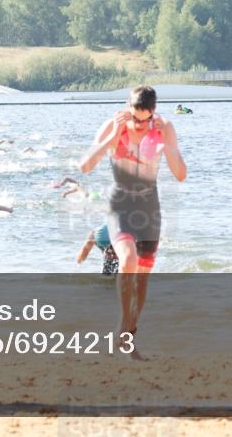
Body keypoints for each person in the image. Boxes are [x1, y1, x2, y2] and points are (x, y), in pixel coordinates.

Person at [80, 85, 187, 360]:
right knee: (127, 260)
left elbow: (180, 174)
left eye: (145, 120)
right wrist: (112, 138)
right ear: (128, 108)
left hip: (150, 206)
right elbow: (85, 166)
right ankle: (122, 328)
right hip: (121, 204)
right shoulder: (114, 125)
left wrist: (167, 144)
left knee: (142, 278)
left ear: (154, 113)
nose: (139, 125)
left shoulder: (164, 128)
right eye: (134, 118)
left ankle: (128, 336)